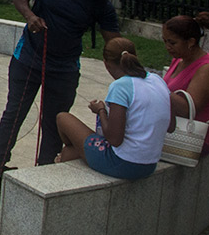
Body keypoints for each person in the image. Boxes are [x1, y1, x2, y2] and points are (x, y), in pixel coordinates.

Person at [0, 0, 122, 192]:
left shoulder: (101, 4)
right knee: (15, 112)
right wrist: (30, 16)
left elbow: (114, 42)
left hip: (64, 69)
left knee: (55, 122)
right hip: (27, 59)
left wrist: (128, 66)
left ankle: (42, 173)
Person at [55, 38, 174, 179]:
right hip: (149, 164)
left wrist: (101, 110)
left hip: (123, 163)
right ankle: (74, 150)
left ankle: (72, 149)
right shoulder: (157, 80)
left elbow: (114, 139)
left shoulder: (120, 87)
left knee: (63, 118)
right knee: (70, 154)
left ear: (106, 64)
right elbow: (171, 126)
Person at [162, 12, 209, 156]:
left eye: (172, 43)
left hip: (193, 137)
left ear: (191, 42)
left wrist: (157, 88)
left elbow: (188, 108)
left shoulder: (207, 69)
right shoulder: (179, 60)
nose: (167, 47)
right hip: (173, 128)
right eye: (165, 41)